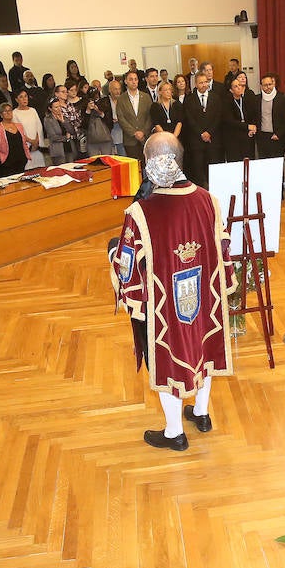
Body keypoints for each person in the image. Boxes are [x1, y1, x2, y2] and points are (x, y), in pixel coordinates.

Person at [108, 132, 233, 451]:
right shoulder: (208, 199)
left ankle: (174, 432)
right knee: (204, 349)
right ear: (180, 159)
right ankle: (202, 414)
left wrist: (111, 253)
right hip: (204, 299)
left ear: (148, 164)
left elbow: (126, 264)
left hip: (164, 308)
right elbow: (223, 247)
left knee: (164, 359)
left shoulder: (141, 211)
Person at [182, 72, 221, 188]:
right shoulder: (189, 99)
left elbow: (218, 117)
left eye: (206, 82)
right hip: (196, 141)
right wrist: (201, 133)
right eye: (201, 83)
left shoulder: (216, 97)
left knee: (212, 167)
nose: (204, 85)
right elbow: (189, 119)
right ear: (196, 84)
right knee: (198, 168)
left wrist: (209, 132)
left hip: (213, 139)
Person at [115, 70, 151, 160]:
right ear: (126, 81)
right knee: (134, 166)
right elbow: (121, 119)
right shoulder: (121, 99)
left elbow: (150, 117)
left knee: (147, 164)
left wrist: (143, 132)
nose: (134, 81)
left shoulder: (146, 97)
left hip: (145, 138)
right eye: (131, 79)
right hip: (130, 140)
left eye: (136, 79)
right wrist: (134, 133)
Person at [254, 73, 285, 162]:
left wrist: (279, 134)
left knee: (277, 165)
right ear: (261, 86)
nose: (268, 87)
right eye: (265, 85)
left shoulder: (282, 99)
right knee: (264, 164)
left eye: (270, 84)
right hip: (262, 137)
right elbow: (254, 118)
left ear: (273, 84)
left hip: (277, 137)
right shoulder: (257, 99)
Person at [220, 77, 255, 164]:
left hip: (246, 137)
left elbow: (252, 116)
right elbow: (230, 121)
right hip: (233, 138)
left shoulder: (247, 99)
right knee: (236, 163)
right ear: (231, 90)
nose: (239, 87)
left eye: (239, 85)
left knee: (248, 163)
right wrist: (247, 126)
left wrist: (252, 128)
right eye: (235, 86)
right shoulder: (226, 102)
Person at [0, 103, 31, 176]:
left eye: (10, 110)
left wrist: (26, 154)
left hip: (21, 161)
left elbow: (23, 142)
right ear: (1, 114)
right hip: (6, 164)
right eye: (5, 111)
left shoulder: (19, 126)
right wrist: (0, 157)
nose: (8, 112)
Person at [10, 89, 44, 169]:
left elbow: (39, 126)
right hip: (26, 147)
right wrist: (31, 142)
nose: (24, 99)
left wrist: (36, 141)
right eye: (21, 97)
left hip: (36, 146)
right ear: (16, 99)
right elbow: (19, 132)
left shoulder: (33, 110)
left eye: (25, 96)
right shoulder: (14, 113)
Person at [42, 97, 78, 165]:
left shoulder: (64, 117)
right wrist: (65, 138)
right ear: (50, 108)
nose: (59, 109)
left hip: (69, 148)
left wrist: (63, 121)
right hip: (58, 151)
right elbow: (52, 137)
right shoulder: (48, 120)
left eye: (59, 106)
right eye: (56, 107)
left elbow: (72, 131)